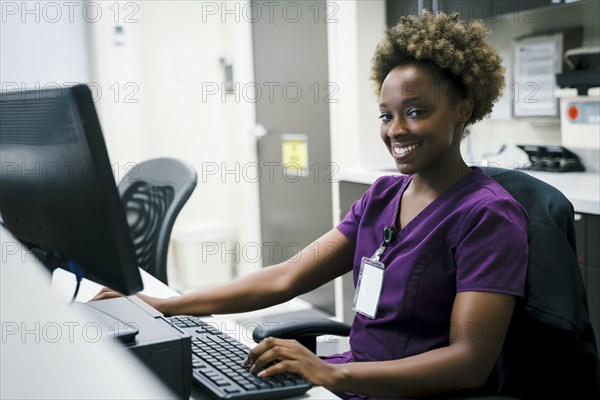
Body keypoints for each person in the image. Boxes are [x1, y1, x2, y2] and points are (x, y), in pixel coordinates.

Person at [93, 11, 529, 399]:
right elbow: (286, 277)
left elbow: (471, 362)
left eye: (415, 111)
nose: (395, 130)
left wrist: (333, 376)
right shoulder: (381, 197)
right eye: (385, 114)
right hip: (351, 382)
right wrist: (166, 305)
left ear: (463, 107)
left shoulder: (488, 216)